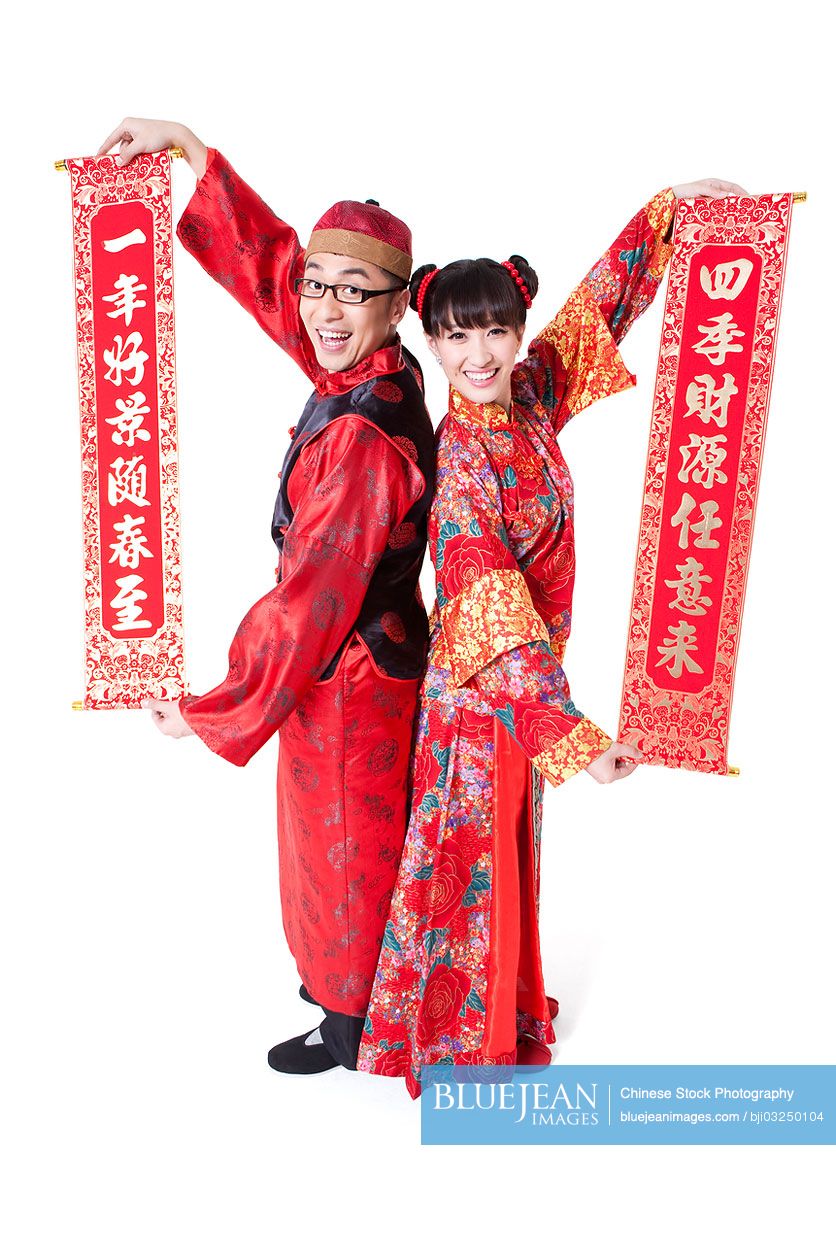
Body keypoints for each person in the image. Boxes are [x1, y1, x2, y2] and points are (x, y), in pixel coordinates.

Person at [356, 178, 744, 1097]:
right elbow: (492, 606)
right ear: (433, 340)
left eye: (494, 329)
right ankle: (451, 1042)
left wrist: (670, 210)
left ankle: (500, 1015)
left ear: (515, 332)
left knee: (503, 853)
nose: (478, 352)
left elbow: (598, 314)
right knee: (466, 858)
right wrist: (573, 735)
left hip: (522, 693)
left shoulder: (529, 397)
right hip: (480, 689)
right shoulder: (462, 459)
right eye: (456, 335)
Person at [97, 118, 436, 1075]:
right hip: (349, 663)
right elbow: (278, 272)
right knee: (327, 842)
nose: (323, 309)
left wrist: (212, 704)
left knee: (345, 843)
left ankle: (357, 1023)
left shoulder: (366, 439)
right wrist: (190, 152)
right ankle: (342, 988)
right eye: (320, 288)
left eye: (351, 293)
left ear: (400, 303)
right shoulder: (365, 364)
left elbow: (310, 600)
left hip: (351, 669)